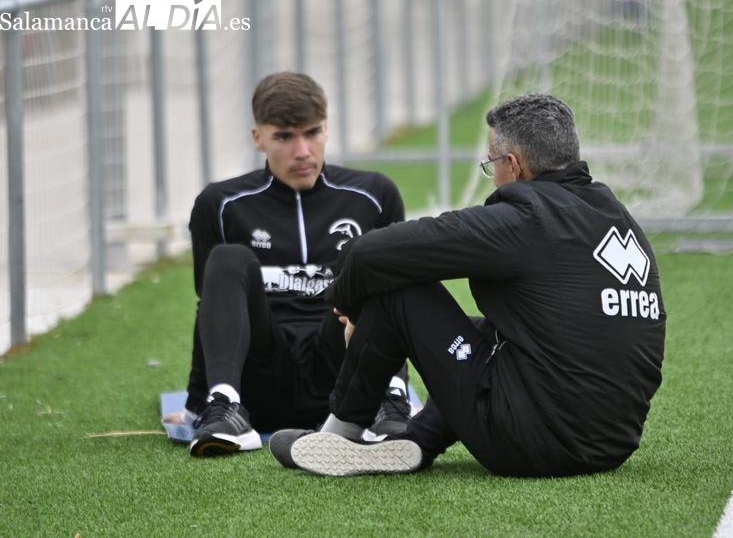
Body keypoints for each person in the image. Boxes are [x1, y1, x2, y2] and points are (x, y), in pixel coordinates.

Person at [270, 93, 666, 477]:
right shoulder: (616, 217)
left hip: (531, 444)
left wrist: (351, 308)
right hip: (613, 443)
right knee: (491, 333)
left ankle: (339, 434)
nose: (493, 175)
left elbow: (368, 254)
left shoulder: (525, 218)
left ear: (514, 165)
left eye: (491, 162)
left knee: (400, 289)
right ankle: (420, 440)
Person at [163, 71, 411, 457]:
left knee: (373, 255)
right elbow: (211, 307)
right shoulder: (221, 204)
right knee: (228, 258)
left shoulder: (373, 196)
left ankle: (391, 402)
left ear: (326, 128)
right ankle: (224, 404)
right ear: (258, 138)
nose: (302, 151)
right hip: (262, 379)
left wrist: (392, 383)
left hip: (343, 377)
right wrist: (198, 404)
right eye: (284, 137)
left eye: (312, 133)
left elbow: (396, 297)